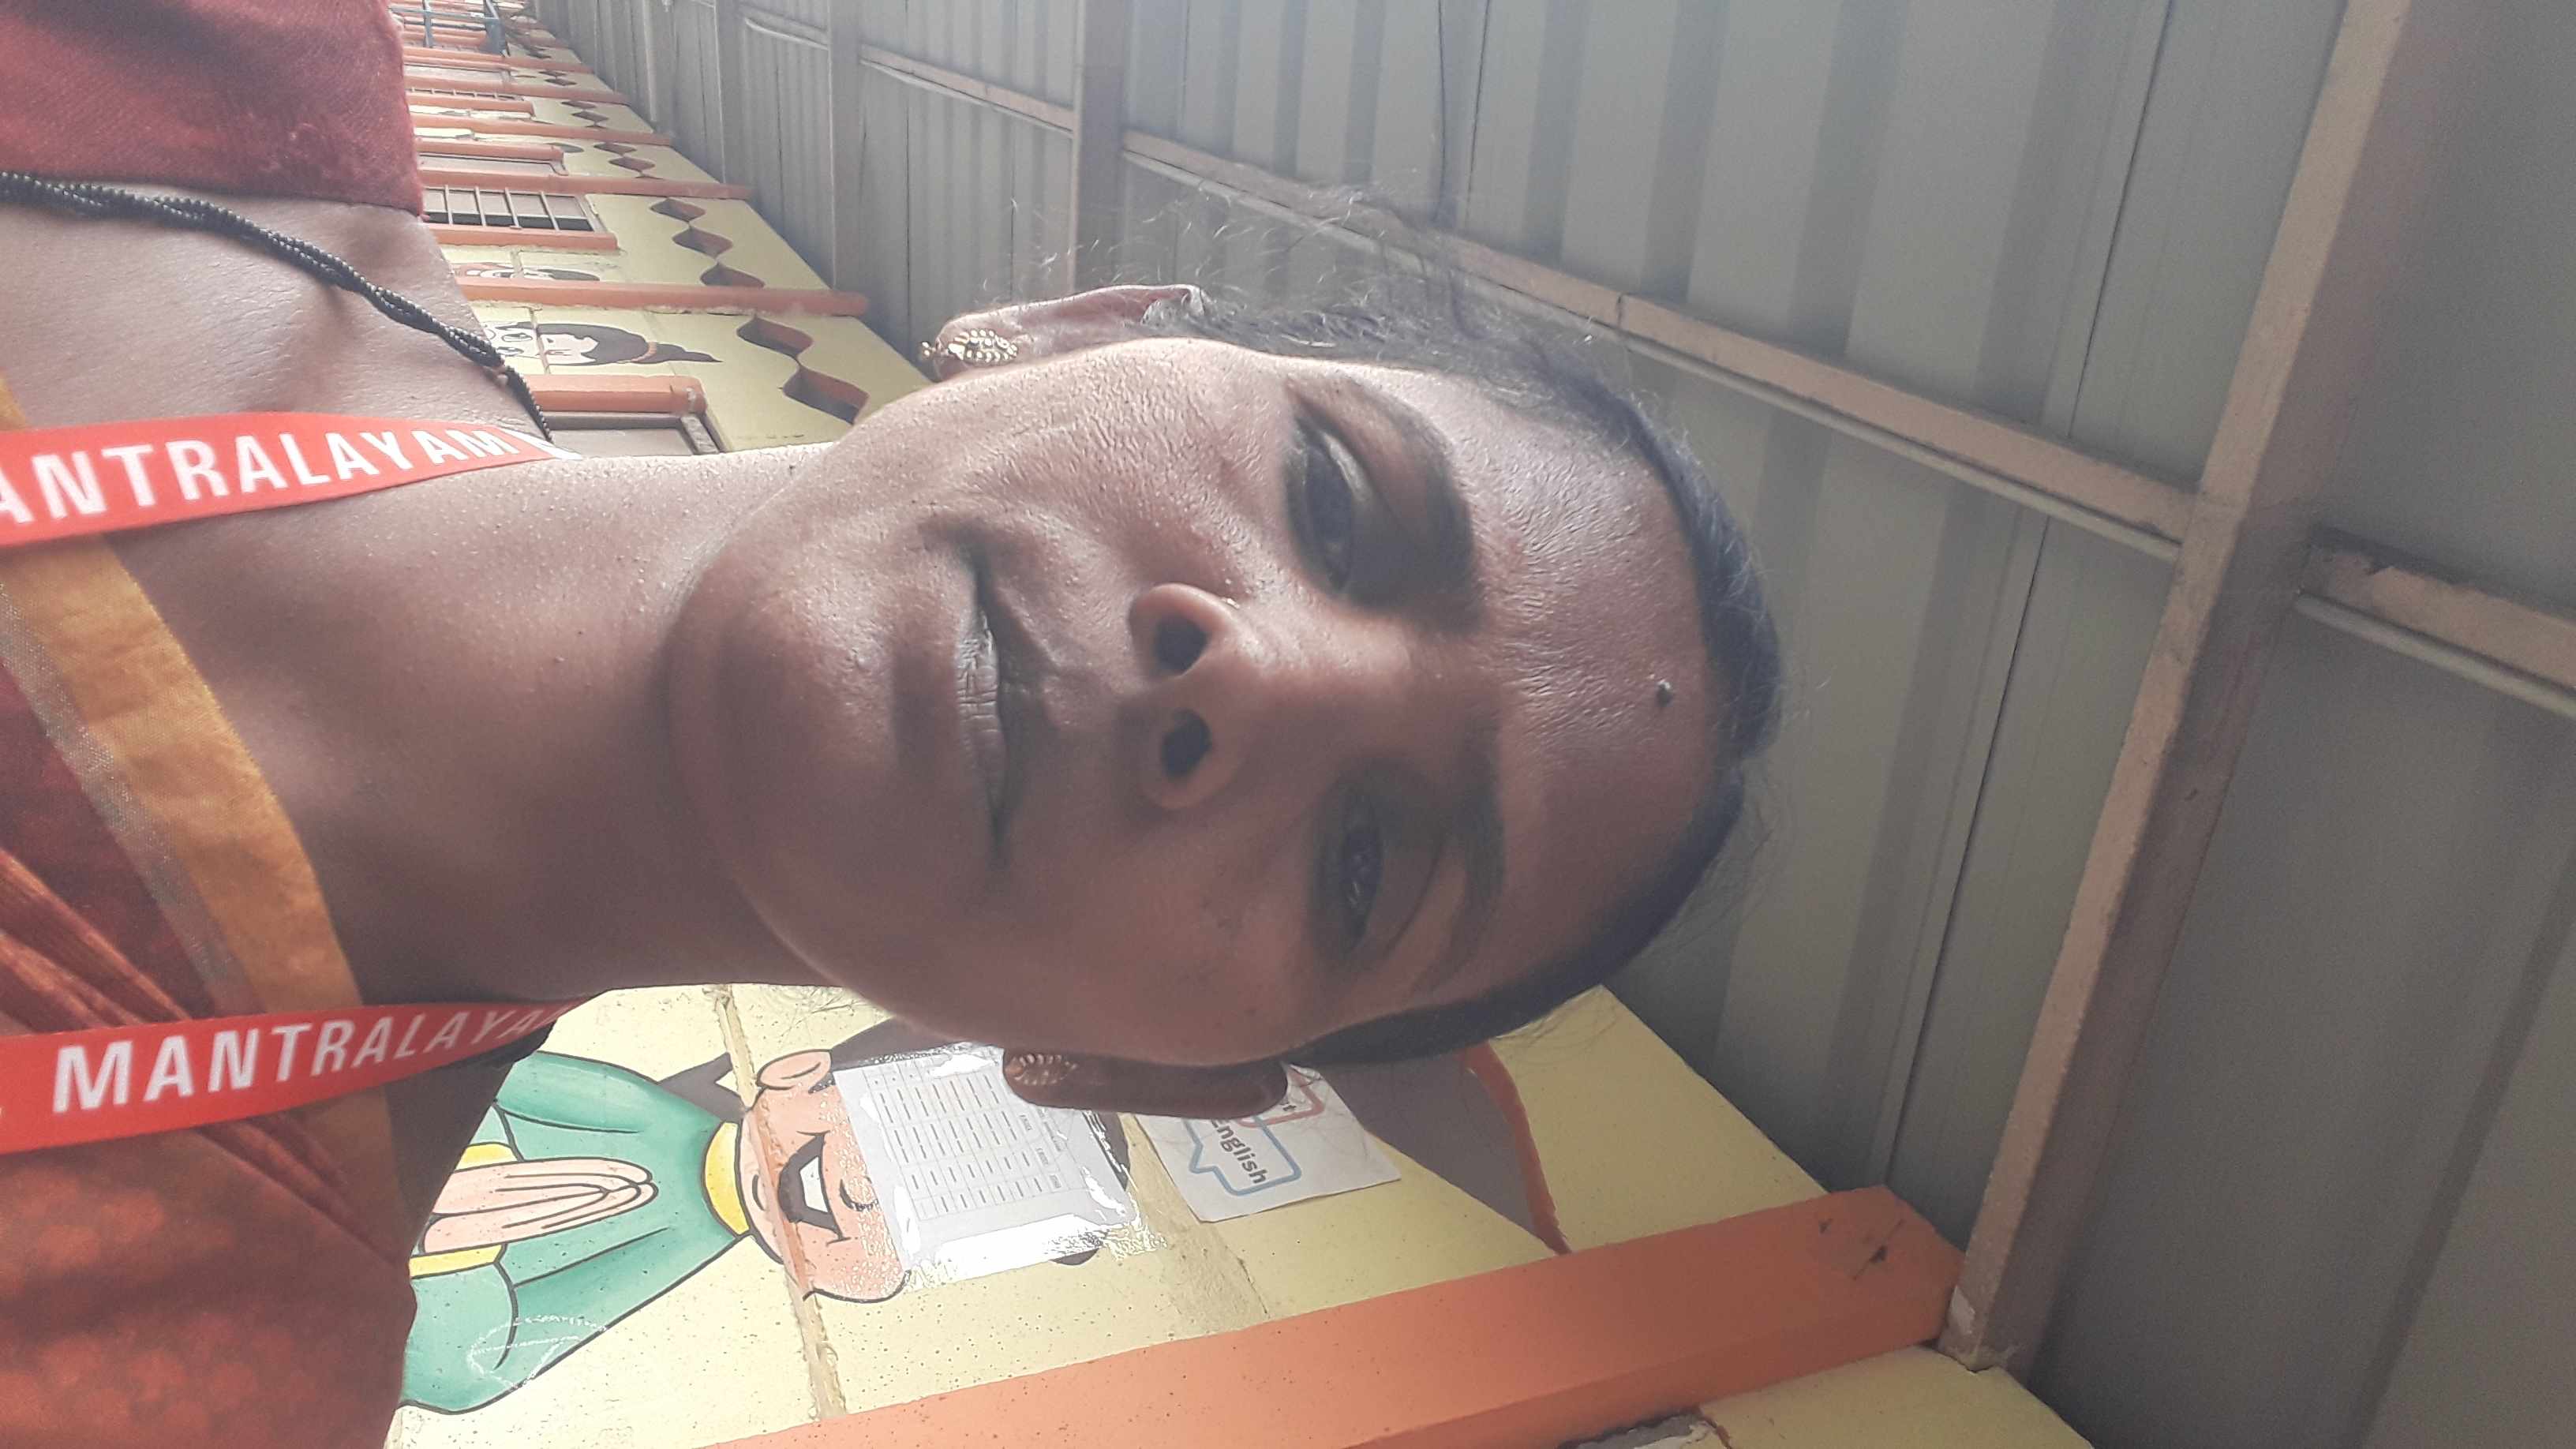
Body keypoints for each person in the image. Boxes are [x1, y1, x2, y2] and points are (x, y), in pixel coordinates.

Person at [0, 2, 1780, 1443]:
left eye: (1366, 865)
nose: (1253, 678)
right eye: (1330, 497)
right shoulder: (210, 71)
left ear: (1147, 1079)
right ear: (1069, 333)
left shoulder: (172, 1354)